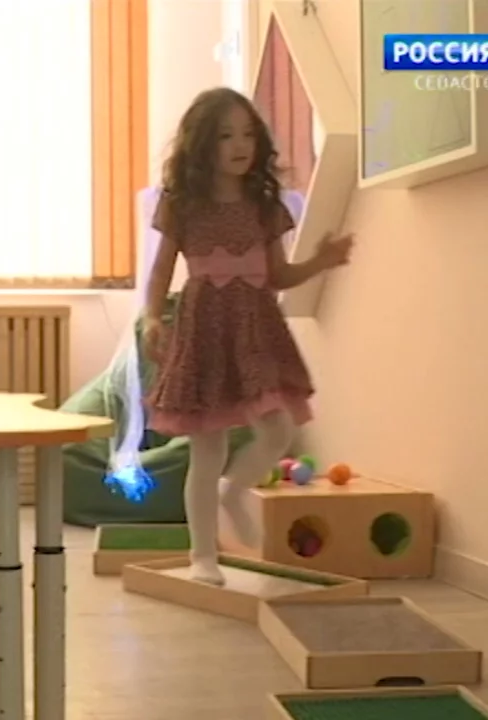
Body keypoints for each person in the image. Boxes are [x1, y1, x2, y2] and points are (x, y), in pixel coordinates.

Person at [142, 88, 353, 586]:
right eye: (225, 136)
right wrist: (152, 318)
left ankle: (234, 491)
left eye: (246, 135)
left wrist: (321, 261)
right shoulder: (183, 205)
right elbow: (161, 271)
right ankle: (203, 556)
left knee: (278, 429)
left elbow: (278, 275)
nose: (239, 145)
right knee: (206, 448)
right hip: (204, 329)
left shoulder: (263, 206)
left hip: (256, 329)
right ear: (202, 144)